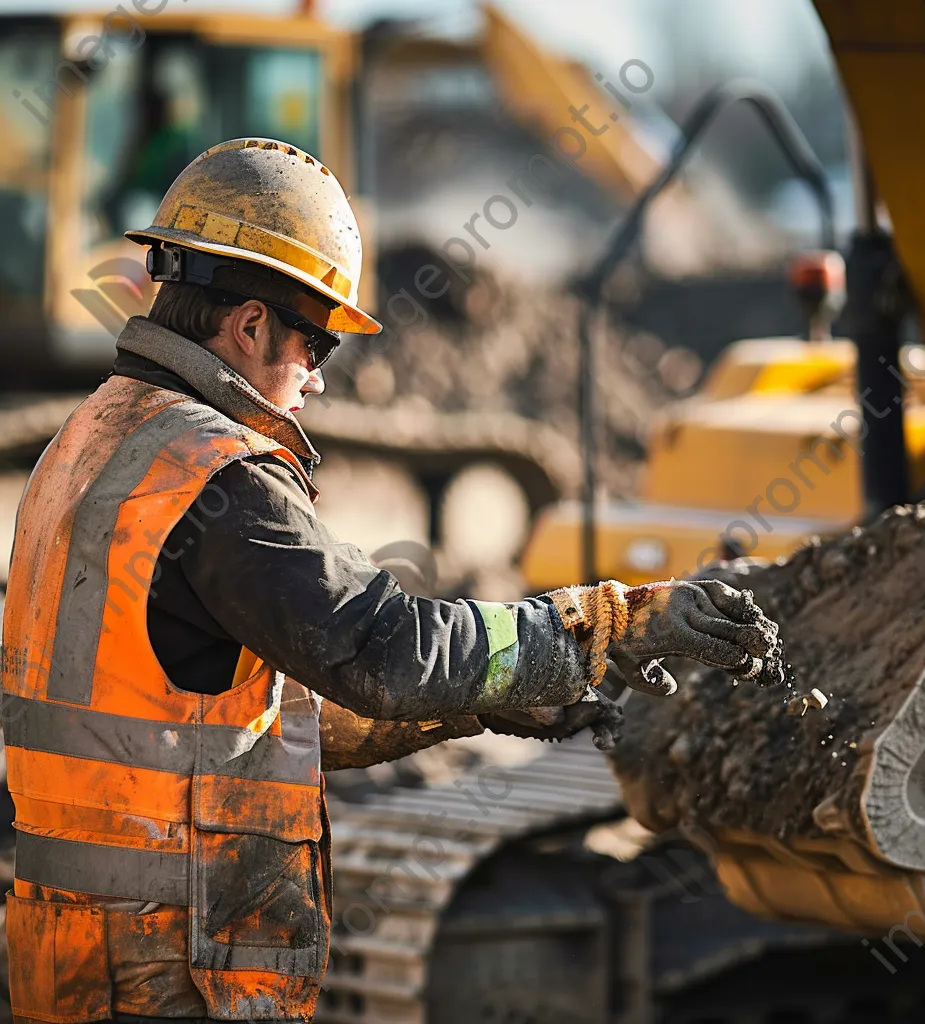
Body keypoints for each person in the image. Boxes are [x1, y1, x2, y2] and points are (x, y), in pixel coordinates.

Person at [0, 138, 781, 1023]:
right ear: (250, 327)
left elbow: (234, 718)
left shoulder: (88, 441)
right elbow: (384, 648)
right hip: (171, 969)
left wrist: (490, 698)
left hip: (73, 954)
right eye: (317, 343)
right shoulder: (214, 477)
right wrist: (600, 628)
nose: (321, 380)